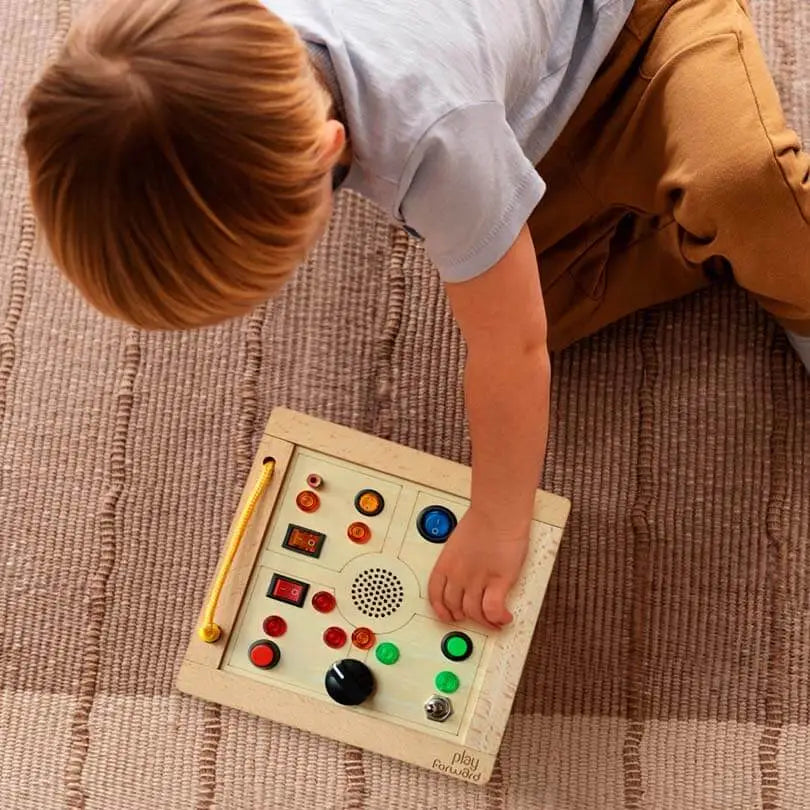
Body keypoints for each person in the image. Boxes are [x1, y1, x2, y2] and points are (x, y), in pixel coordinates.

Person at [23, 0, 810, 630]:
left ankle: (750, 253)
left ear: (328, 150)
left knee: (745, 189)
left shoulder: (429, 130)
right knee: (548, 304)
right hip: (523, 123)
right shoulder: (227, 38)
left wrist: (500, 522)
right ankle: (695, 233)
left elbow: (512, 353)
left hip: (643, 31)